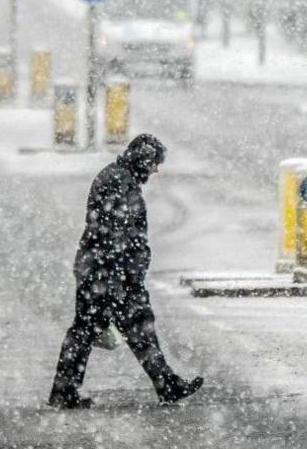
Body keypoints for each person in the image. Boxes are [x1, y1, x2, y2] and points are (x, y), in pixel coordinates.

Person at [49, 133, 204, 409]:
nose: (156, 170)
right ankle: (165, 385)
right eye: (154, 163)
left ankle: (66, 391)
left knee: (106, 330)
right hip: (108, 275)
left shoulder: (119, 178)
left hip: (102, 272)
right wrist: (121, 280)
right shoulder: (118, 183)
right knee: (112, 329)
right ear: (143, 160)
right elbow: (115, 237)